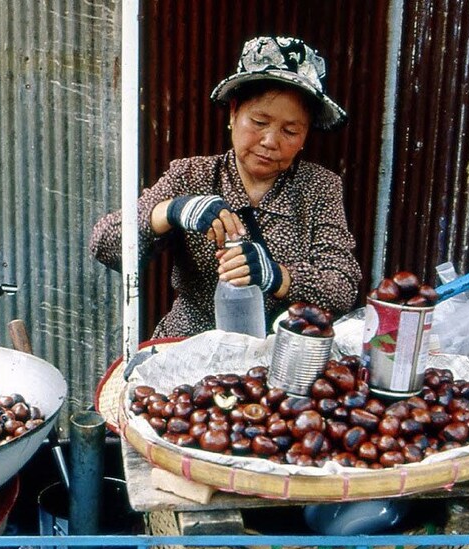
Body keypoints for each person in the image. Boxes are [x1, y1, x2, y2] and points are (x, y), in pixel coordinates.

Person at [90, 36, 361, 338]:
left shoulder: (319, 187)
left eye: (290, 130)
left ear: (305, 136)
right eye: (259, 122)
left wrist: (278, 276)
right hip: (187, 346)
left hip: (278, 357)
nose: (271, 141)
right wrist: (172, 210)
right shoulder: (191, 175)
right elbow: (105, 245)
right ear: (234, 113)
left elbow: (343, 287)